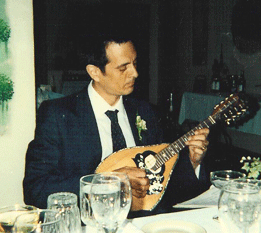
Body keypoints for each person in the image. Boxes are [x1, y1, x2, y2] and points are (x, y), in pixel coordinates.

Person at [23, 35, 210, 216]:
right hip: (91, 223)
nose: (135, 73)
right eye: (123, 68)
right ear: (94, 72)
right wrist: (105, 181)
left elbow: (166, 186)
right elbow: (35, 189)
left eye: (135, 63)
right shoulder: (58, 115)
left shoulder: (146, 112)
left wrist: (192, 162)